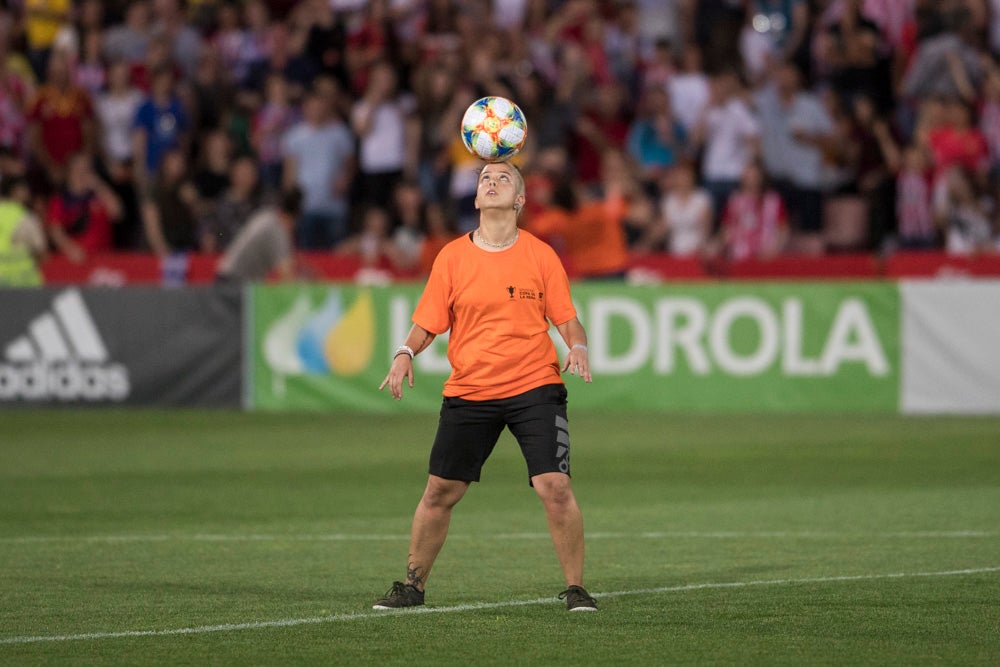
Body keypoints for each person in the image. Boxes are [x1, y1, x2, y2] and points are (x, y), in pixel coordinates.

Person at [374, 161, 597, 612]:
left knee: (554, 486)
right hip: (470, 390)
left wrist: (578, 346)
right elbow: (427, 322)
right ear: (476, 198)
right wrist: (403, 352)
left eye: (503, 178)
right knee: (440, 491)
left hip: (535, 385)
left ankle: (576, 589)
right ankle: (412, 587)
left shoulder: (540, 255)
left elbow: (568, 320)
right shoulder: (452, 257)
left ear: (520, 200)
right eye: (484, 179)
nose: (491, 182)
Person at [216, 186, 301, 282]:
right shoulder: (277, 229)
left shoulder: (265, 215)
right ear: (293, 219)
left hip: (225, 275)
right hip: (235, 282)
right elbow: (287, 275)